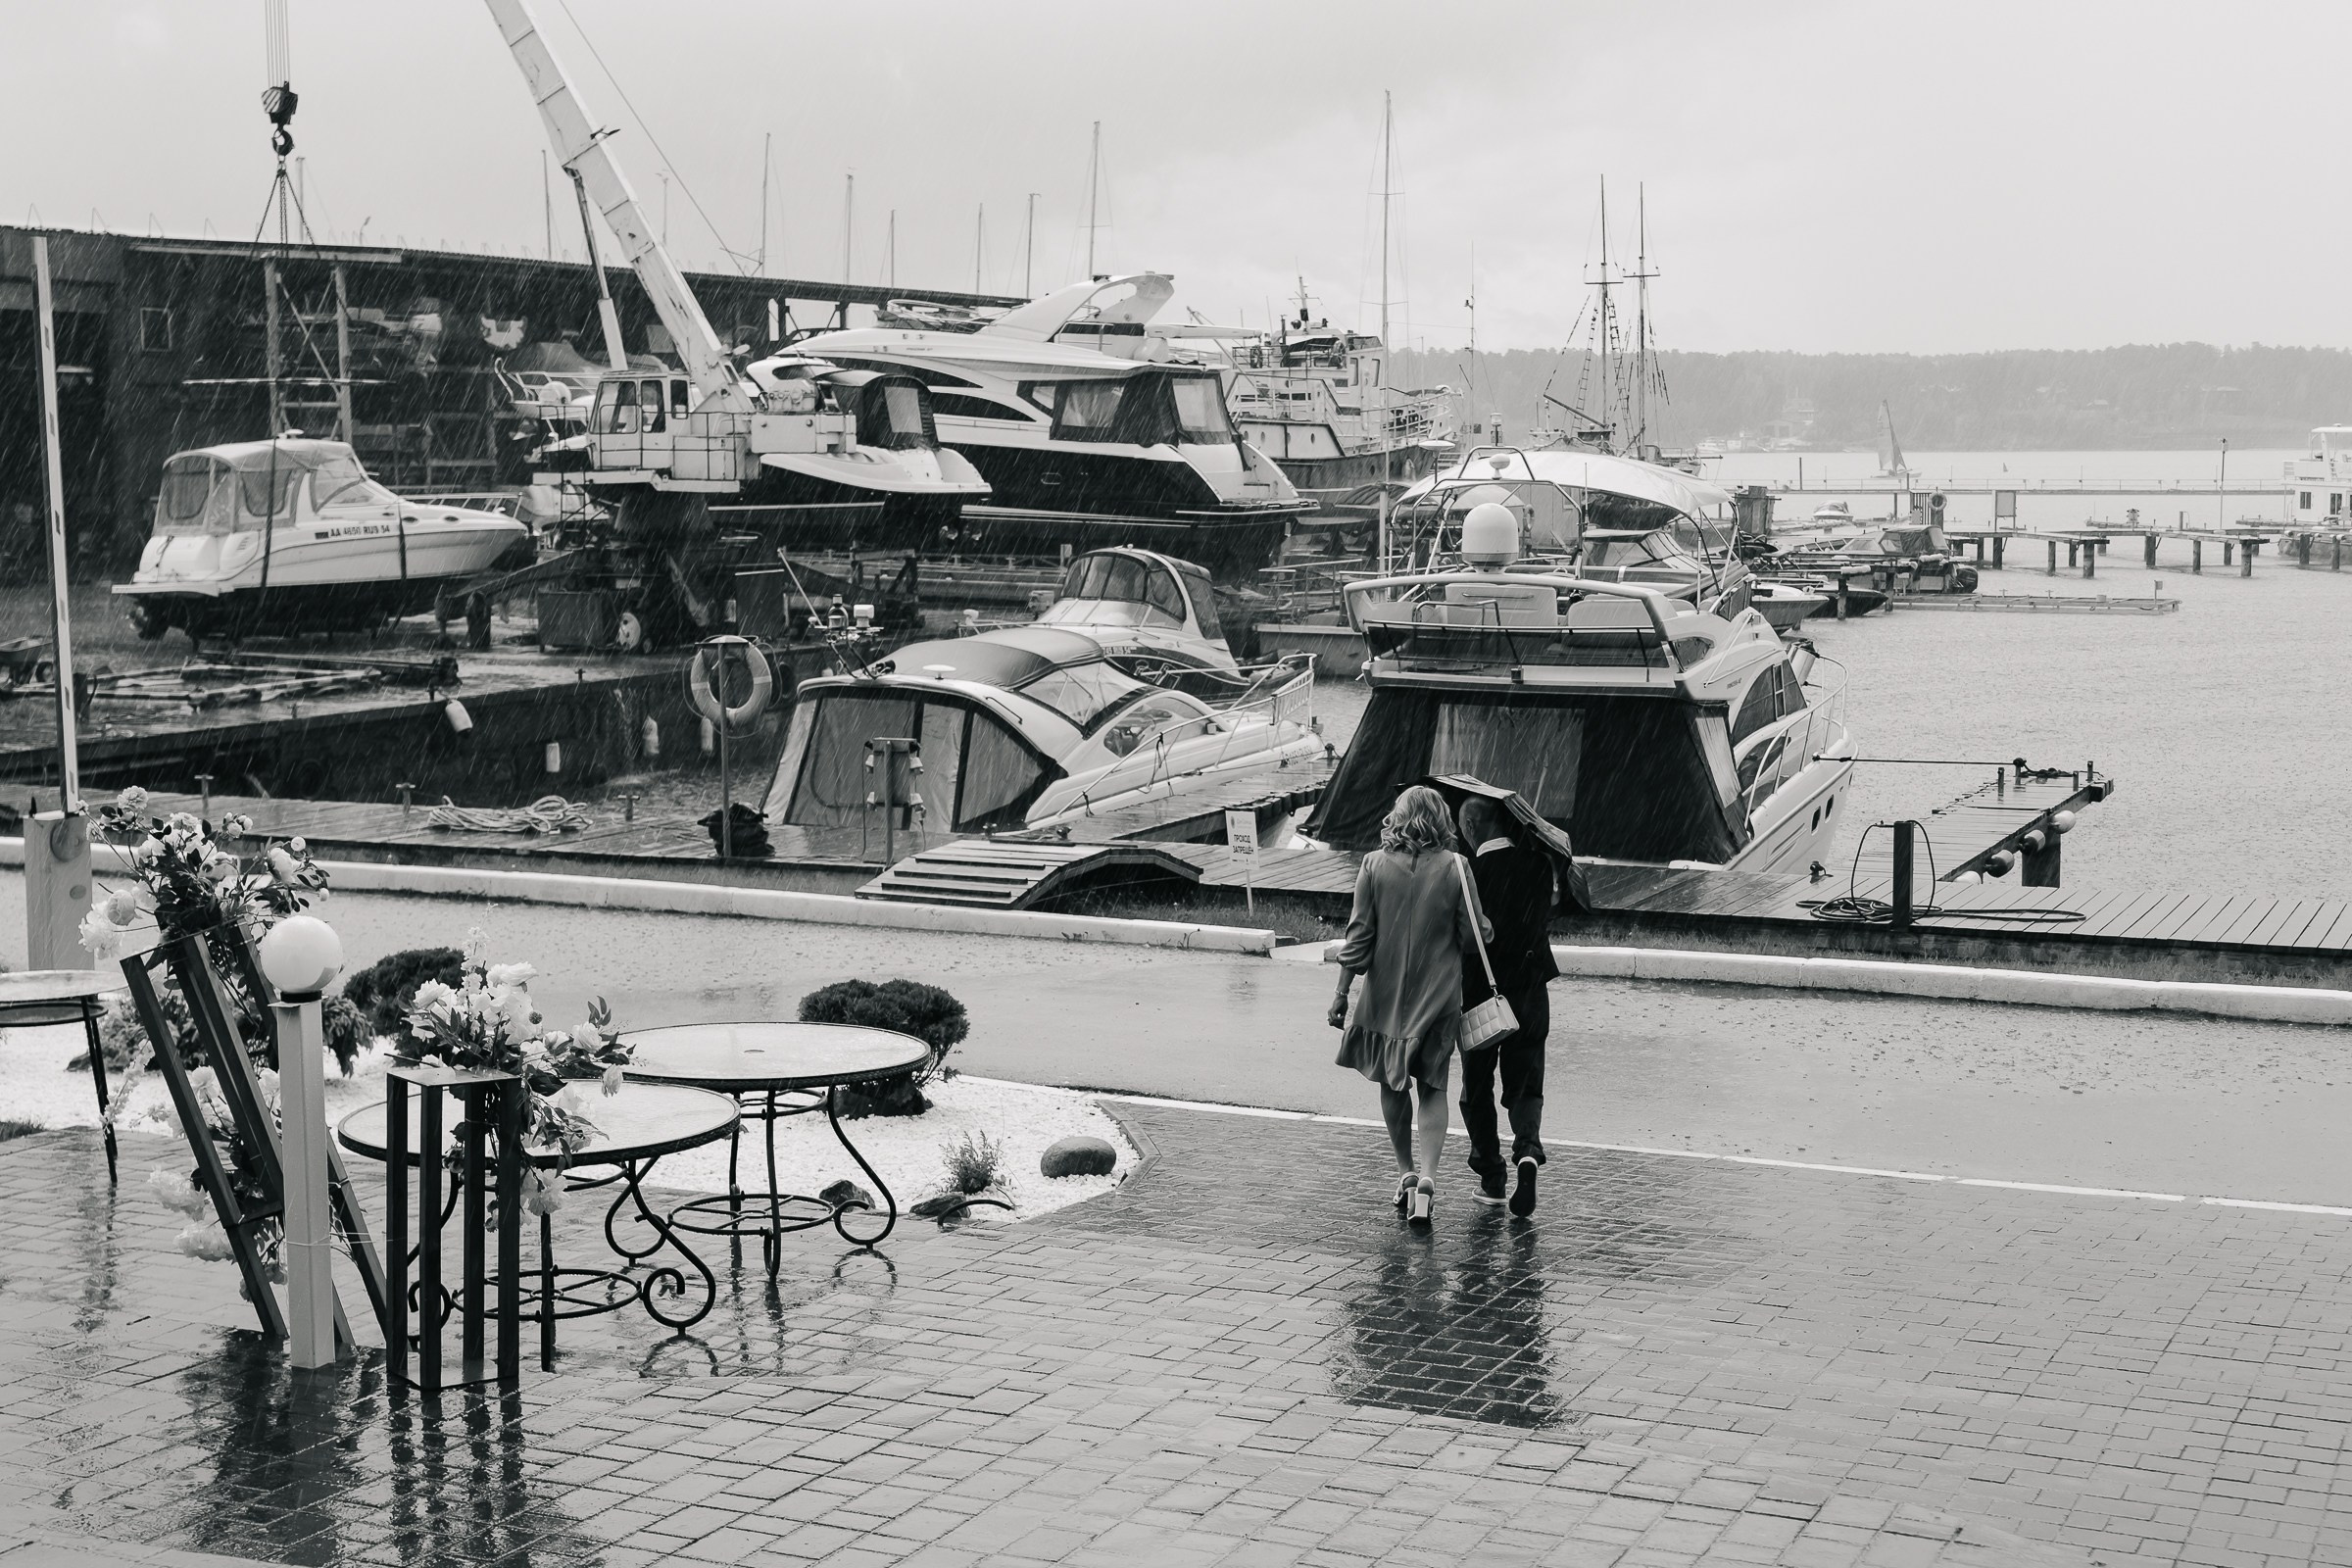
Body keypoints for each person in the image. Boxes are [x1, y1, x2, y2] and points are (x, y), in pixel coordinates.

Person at [1328, 785, 1493, 1228]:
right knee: (1433, 1086)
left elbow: (1359, 938)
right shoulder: (1456, 867)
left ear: (1397, 817)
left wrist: (1342, 992)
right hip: (1438, 994)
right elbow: (1474, 936)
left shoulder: (1373, 865)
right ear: (1441, 820)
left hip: (1385, 997)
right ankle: (1430, 1179)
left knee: (1391, 1082)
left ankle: (1405, 1172)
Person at [1454, 795, 1560, 1217]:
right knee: (1525, 1083)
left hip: (1481, 994)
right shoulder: (1538, 866)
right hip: (1532, 991)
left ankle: (1492, 1178)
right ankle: (1528, 1151)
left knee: (1476, 1088)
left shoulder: (1467, 875)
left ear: (1472, 827)